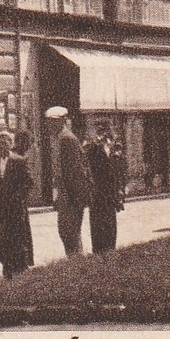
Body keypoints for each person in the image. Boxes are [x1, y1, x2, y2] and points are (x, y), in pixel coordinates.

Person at [45, 106, 91, 256]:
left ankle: (77, 266)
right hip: (66, 193)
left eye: (53, 122)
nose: (49, 125)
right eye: (49, 122)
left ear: (63, 121)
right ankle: (77, 265)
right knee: (68, 233)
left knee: (69, 233)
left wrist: (74, 197)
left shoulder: (66, 139)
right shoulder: (61, 138)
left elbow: (74, 171)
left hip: (70, 195)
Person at [0, 130, 34, 278]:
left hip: (16, 207)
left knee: (18, 237)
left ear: (11, 144)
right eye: (0, 142)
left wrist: (18, 197)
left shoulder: (18, 160)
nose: (3, 145)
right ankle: (7, 269)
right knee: (3, 239)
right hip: (2, 208)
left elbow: (28, 183)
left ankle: (20, 268)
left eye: (6, 142)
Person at [84, 124, 122, 252]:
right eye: (101, 133)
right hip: (98, 195)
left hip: (110, 195)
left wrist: (118, 192)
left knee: (110, 228)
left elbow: (117, 171)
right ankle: (100, 253)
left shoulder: (113, 150)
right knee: (99, 230)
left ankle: (109, 251)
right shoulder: (92, 149)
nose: (104, 137)